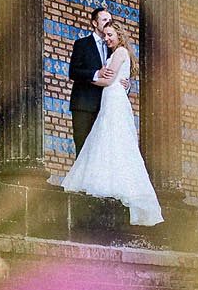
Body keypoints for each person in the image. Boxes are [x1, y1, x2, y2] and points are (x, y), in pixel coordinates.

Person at [58, 21, 163, 226]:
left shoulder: (120, 52)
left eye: (110, 35)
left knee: (113, 137)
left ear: (119, 35)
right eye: (105, 35)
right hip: (110, 98)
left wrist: (88, 79)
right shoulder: (116, 53)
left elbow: (108, 80)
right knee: (105, 138)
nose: (107, 39)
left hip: (114, 99)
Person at [67, 6, 111, 155]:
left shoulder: (113, 48)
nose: (108, 22)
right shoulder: (82, 44)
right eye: (104, 19)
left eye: (110, 20)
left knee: (101, 152)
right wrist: (96, 73)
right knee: (83, 147)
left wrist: (126, 85)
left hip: (105, 106)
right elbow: (73, 72)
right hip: (84, 105)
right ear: (94, 23)